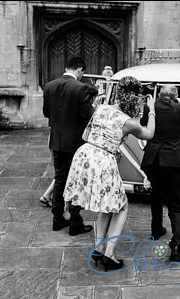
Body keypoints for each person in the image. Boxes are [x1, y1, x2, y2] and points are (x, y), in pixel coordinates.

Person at [64, 76, 156, 270]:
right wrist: (152, 110)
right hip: (104, 160)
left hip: (85, 153)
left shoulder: (101, 108)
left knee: (107, 206)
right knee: (121, 206)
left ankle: (99, 248)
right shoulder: (129, 122)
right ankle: (109, 253)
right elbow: (149, 134)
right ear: (136, 98)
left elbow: (85, 135)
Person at [140, 84, 180, 262]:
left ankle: (156, 230)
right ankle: (176, 244)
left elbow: (144, 123)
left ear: (159, 95)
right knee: (175, 203)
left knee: (156, 195)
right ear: (175, 96)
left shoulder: (151, 107)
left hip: (153, 160)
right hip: (172, 161)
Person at [42, 57, 96, 236]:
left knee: (60, 179)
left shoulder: (49, 86)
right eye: (82, 73)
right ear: (80, 70)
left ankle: (57, 219)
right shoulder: (81, 88)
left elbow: (46, 112)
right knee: (77, 180)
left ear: (66, 68)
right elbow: (88, 115)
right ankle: (75, 222)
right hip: (75, 143)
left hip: (56, 141)